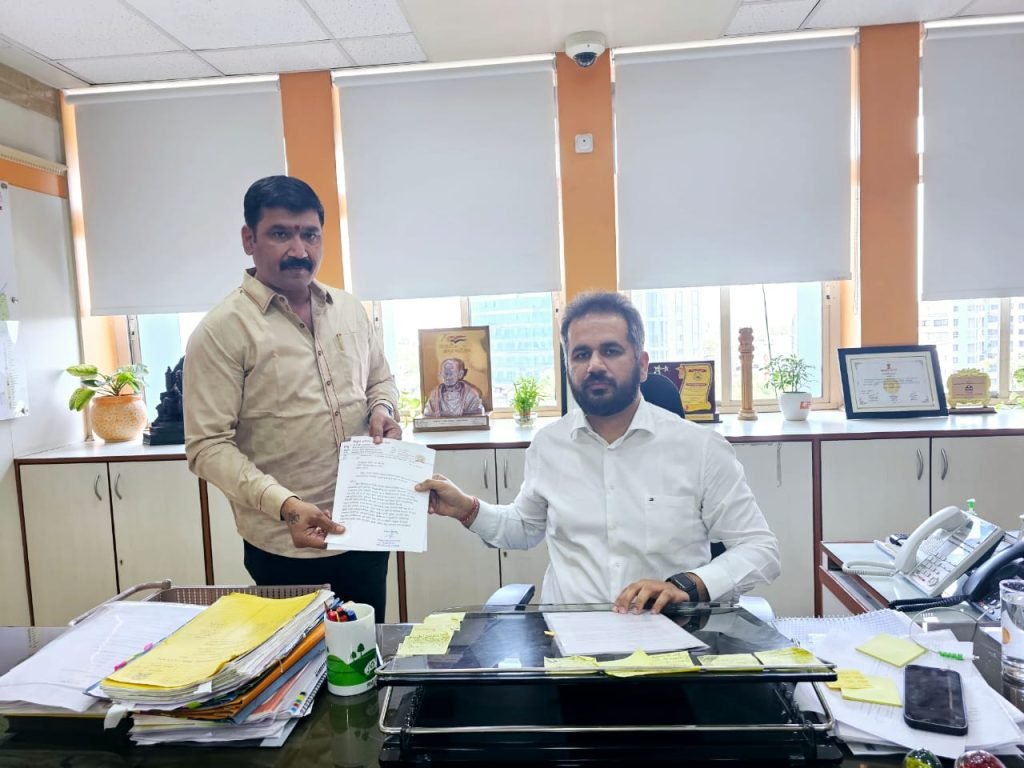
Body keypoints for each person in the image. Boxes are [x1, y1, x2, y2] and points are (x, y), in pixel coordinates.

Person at [416, 291, 780, 614]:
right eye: (581, 354)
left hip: (668, 639)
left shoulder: (699, 448)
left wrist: (689, 585)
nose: (594, 365)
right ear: (568, 366)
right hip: (568, 644)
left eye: (610, 351)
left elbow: (760, 549)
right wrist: (466, 508)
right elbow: (524, 528)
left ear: (642, 365)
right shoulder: (548, 445)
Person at [184, 175, 401, 618]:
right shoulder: (222, 331)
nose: (299, 250)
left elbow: (381, 380)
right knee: (297, 657)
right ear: (249, 239)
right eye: (281, 234)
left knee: (365, 646)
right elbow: (207, 447)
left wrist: (382, 408)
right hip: (285, 546)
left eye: (310, 235)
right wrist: (284, 506)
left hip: (364, 529)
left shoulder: (349, 310)